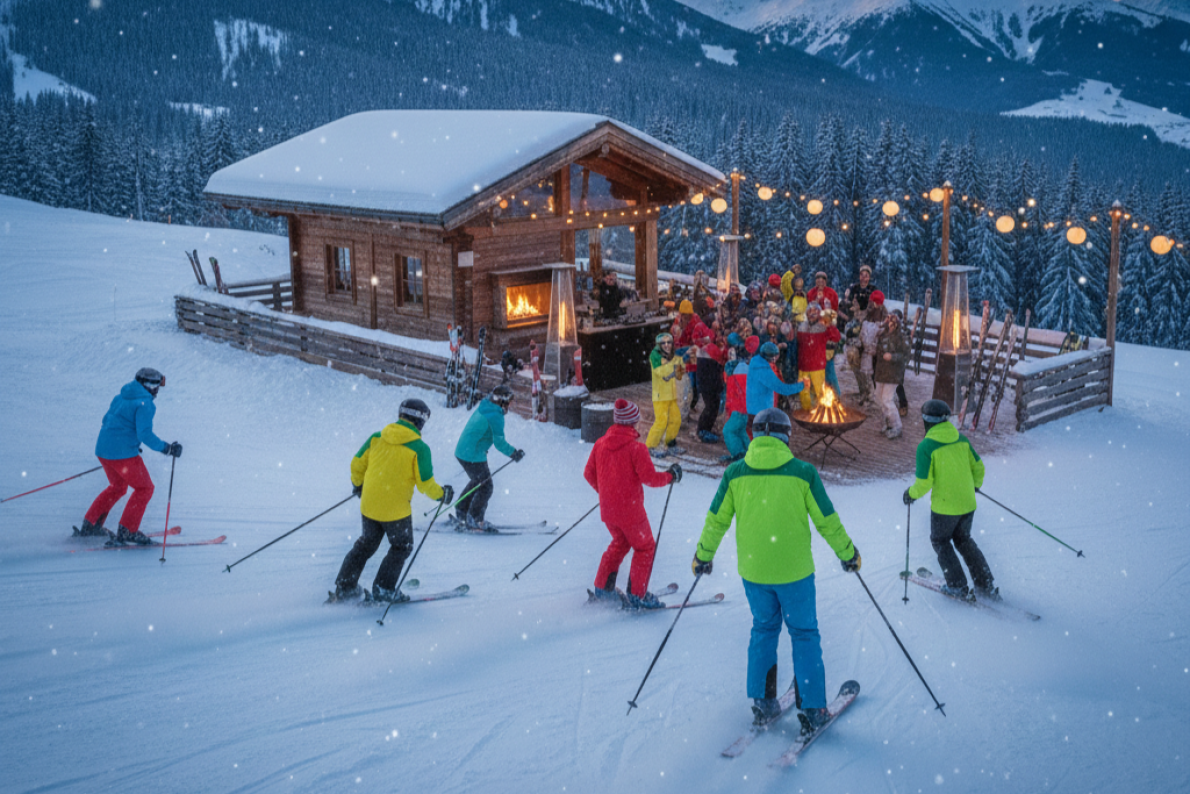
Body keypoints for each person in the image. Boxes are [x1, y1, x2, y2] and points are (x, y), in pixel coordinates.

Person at [692, 407, 860, 733]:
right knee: (804, 634)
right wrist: (848, 553)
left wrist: (703, 555)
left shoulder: (735, 474)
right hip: (794, 572)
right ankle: (812, 708)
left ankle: (762, 702)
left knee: (764, 630)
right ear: (786, 436)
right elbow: (827, 520)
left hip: (754, 572)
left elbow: (716, 520)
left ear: (754, 434)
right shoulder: (803, 472)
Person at [335, 399, 453, 602]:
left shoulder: (377, 437)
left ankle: (345, 586)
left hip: (369, 505)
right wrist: (442, 494)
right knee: (401, 547)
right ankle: (383, 589)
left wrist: (358, 484)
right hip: (395, 512)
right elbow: (425, 484)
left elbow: (356, 464)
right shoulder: (419, 448)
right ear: (420, 421)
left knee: (366, 545)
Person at [585, 399, 682, 609]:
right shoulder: (636, 448)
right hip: (630, 512)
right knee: (645, 547)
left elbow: (588, 474)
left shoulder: (600, 443)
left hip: (609, 511)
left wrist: (606, 493)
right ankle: (637, 595)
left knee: (620, 543)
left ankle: (603, 589)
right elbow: (651, 479)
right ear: (634, 421)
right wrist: (670, 476)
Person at [903, 400, 996, 601]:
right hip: (968, 504)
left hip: (945, 508)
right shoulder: (961, 440)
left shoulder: (926, 446)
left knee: (940, 541)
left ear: (926, 422)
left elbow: (924, 482)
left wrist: (910, 494)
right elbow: (979, 467)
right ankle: (985, 582)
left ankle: (957, 585)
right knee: (964, 540)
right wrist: (975, 485)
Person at [76, 368, 182, 544]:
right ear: (149, 386)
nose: (157, 390)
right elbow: (145, 435)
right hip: (123, 455)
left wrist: (123, 443)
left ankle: (90, 525)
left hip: (103, 450)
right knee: (145, 489)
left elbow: (107, 421)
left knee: (117, 487)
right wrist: (168, 449)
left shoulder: (121, 396)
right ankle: (128, 531)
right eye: (156, 386)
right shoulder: (145, 404)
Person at [454, 384, 525, 531]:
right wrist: (514, 453)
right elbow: (499, 443)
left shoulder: (487, 406)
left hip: (464, 451)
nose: (509, 407)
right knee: (486, 486)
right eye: (509, 403)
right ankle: (474, 518)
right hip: (472, 454)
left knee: (478, 482)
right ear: (502, 402)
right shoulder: (495, 416)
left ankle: (462, 510)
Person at [747, 343, 806, 430]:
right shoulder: (764, 371)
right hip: (761, 412)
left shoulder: (755, 362)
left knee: (753, 437)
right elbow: (783, 389)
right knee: (762, 439)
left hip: (751, 408)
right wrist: (802, 385)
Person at [646, 332, 685, 458]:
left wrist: (679, 368)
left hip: (671, 395)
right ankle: (650, 446)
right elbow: (662, 372)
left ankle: (670, 443)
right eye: (664, 343)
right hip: (660, 395)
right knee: (661, 422)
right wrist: (675, 367)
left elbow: (680, 371)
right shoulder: (655, 355)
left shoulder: (672, 355)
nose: (667, 345)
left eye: (669, 342)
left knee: (676, 419)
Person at [873, 311, 909, 439]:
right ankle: (887, 422)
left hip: (893, 372)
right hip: (881, 371)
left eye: (893, 323)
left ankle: (897, 426)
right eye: (889, 322)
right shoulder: (882, 334)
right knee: (879, 398)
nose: (890, 325)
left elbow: (906, 355)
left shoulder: (901, 337)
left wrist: (893, 357)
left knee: (887, 400)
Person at [796, 305, 838, 411]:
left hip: (817, 366)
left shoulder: (823, 327)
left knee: (819, 391)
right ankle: (807, 412)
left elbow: (836, 337)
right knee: (804, 392)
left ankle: (821, 413)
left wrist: (829, 325)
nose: (812, 313)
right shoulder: (801, 327)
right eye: (810, 311)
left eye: (815, 311)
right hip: (803, 366)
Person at [721, 334, 754, 462]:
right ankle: (749, 453)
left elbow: (733, 391)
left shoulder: (736, 370)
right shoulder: (745, 368)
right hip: (743, 407)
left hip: (738, 407)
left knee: (728, 431)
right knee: (740, 431)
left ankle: (738, 455)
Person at [695, 331, 727, 443]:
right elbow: (715, 373)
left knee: (712, 407)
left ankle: (705, 429)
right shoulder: (712, 356)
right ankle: (703, 430)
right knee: (711, 407)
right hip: (709, 387)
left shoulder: (705, 353)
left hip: (706, 386)